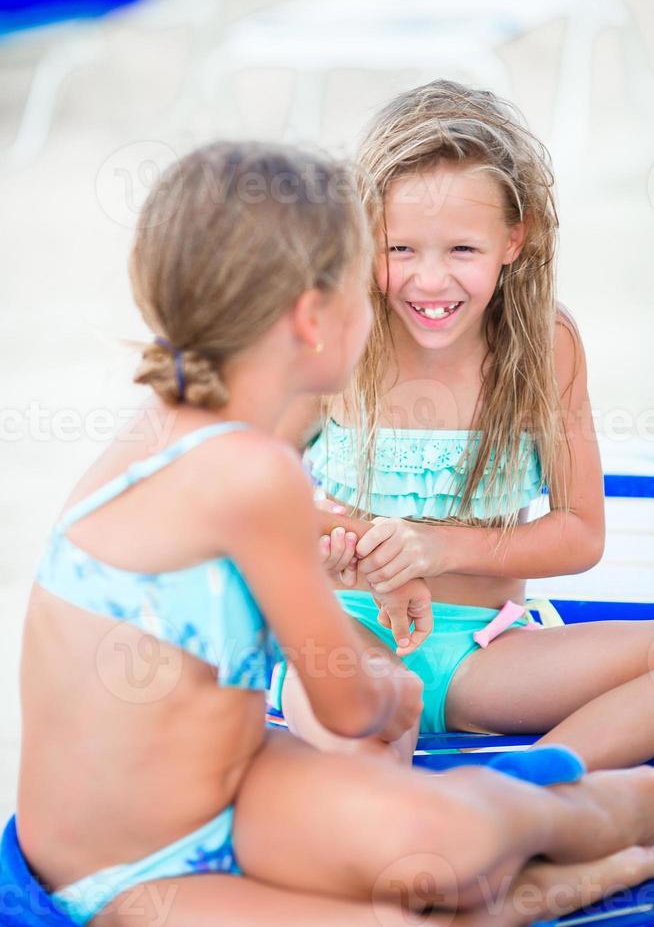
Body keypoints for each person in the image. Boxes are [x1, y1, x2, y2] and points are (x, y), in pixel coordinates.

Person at [6, 140, 654, 927]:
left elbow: (258, 528)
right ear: (315, 319)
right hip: (128, 873)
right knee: (407, 902)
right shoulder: (255, 473)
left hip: (242, 788)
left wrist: (387, 555)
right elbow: (351, 709)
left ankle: (578, 821)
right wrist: (395, 686)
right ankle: (578, 858)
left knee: (439, 838)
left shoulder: (166, 435)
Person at [276, 79, 654, 772]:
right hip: (350, 634)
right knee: (367, 715)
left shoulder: (545, 343)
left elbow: (579, 533)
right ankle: (401, 821)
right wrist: (356, 549)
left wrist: (439, 548)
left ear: (515, 239)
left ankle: (531, 786)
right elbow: (243, 486)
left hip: (494, 649)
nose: (429, 282)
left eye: (462, 251)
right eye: (401, 251)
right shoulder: (334, 336)